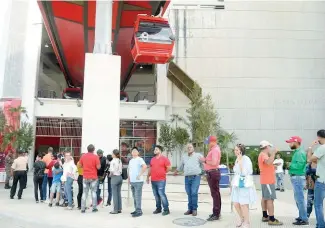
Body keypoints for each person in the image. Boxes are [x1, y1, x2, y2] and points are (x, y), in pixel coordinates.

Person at [174, 143, 204, 216]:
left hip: (196, 177)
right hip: (187, 177)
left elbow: (203, 164)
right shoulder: (184, 156)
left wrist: (203, 172)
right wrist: (176, 171)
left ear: (193, 148)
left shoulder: (198, 155)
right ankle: (190, 209)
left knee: (194, 192)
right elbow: (181, 165)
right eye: (187, 147)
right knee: (189, 193)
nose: (189, 148)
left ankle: (194, 209)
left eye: (190, 147)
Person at [231, 144, 257, 228]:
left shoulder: (246, 159)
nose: (236, 152)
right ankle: (242, 219)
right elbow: (235, 170)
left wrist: (240, 162)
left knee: (243, 204)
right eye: (235, 150)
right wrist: (238, 161)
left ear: (241, 150)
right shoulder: (237, 159)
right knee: (235, 203)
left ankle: (246, 222)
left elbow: (244, 172)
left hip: (244, 184)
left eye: (237, 150)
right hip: (237, 183)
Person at [258, 140, 283, 225]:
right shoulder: (263, 155)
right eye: (269, 147)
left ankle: (265, 216)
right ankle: (271, 219)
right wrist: (274, 153)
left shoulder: (262, 155)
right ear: (267, 147)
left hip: (265, 180)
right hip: (268, 181)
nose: (270, 149)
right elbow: (268, 162)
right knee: (270, 199)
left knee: (265, 198)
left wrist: (274, 166)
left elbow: (267, 164)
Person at [285, 136, 308, 225]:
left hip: (298, 178)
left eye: (290, 142)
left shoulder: (300, 153)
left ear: (296, 142)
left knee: (300, 199)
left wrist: (290, 165)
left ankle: (304, 219)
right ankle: (301, 216)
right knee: (298, 199)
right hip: (296, 178)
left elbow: (299, 166)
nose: (289, 144)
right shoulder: (297, 152)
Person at [200, 136, 222, 221]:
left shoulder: (215, 150)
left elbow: (214, 162)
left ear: (213, 142)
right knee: (216, 194)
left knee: (215, 194)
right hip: (212, 173)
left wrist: (204, 160)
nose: (208, 145)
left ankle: (216, 214)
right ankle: (216, 212)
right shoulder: (214, 149)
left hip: (213, 173)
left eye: (208, 143)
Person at [307, 129, 325, 228]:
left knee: (318, 204)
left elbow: (310, 159)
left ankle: (321, 225)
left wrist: (310, 147)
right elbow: (321, 162)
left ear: (319, 137)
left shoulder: (322, 148)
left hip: (321, 181)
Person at [147, 145, 171, 216]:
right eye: (154, 149)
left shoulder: (164, 159)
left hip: (161, 180)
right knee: (156, 195)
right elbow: (150, 169)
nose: (155, 150)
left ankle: (166, 209)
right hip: (153, 180)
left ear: (160, 151)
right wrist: (148, 177)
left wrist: (164, 172)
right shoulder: (152, 159)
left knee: (161, 194)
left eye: (156, 149)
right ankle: (158, 208)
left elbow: (169, 167)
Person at [79, 144, 101, 213]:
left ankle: (82, 208)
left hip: (85, 177)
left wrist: (85, 167)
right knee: (93, 192)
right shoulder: (96, 157)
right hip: (93, 177)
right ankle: (94, 208)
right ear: (93, 150)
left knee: (84, 193)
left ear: (87, 149)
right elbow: (98, 167)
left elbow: (80, 165)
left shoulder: (83, 156)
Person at [128, 147, 147, 217]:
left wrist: (140, 174)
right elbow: (129, 170)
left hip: (138, 181)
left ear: (138, 152)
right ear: (131, 152)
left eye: (135, 151)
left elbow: (144, 166)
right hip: (132, 181)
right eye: (133, 151)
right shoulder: (131, 161)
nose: (134, 152)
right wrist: (129, 179)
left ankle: (139, 211)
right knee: (134, 196)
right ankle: (136, 209)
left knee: (137, 196)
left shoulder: (140, 159)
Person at [109, 149, 123, 214]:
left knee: (114, 194)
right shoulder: (120, 160)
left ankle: (115, 210)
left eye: (112, 153)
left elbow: (111, 171)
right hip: (120, 177)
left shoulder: (112, 161)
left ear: (114, 154)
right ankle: (119, 209)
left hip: (114, 177)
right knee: (118, 193)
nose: (111, 154)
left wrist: (109, 175)